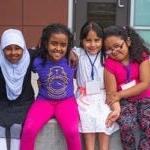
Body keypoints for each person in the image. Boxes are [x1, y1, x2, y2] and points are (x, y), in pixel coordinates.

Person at [20, 23, 82, 150]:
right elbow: (24, 54)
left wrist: (72, 52)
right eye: (54, 43)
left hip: (66, 102)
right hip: (44, 102)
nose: (58, 48)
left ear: (68, 46)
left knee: (72, 131)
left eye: (63, 45)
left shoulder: (72, 61)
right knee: (29, 129)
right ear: (46, 43)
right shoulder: (37, 61)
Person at [73, 21, 119, 150]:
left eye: (97, 40)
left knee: (104, 116)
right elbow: (69, 53)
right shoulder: (78, 53)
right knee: (87, 117)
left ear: (102, 40)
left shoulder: (107, 55)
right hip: (84, 96)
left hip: (103, 95)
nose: (93, 44)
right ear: (82, 40)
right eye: (88, 40)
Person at [103, 25, 150, 150]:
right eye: (108, 49)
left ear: (128, 42)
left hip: (145, 99)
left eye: (118, 46)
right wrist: (116, 110)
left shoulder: (141, 56)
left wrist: (120, 94)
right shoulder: (109, 64)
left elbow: (145, 83)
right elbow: (112, 93)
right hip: (124, 103)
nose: (114, 51)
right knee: (127, 125)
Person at [0, 29, 36, 150]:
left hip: (24, 102)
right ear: (2, 49)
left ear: (23, 47)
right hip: (3, 102)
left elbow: (48, 52)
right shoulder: (0, 60)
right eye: (8, 48)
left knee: (17, 127)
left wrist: (74, 52)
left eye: (17, 48)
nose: (13, 53)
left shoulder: (30, 56)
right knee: (0, 128)